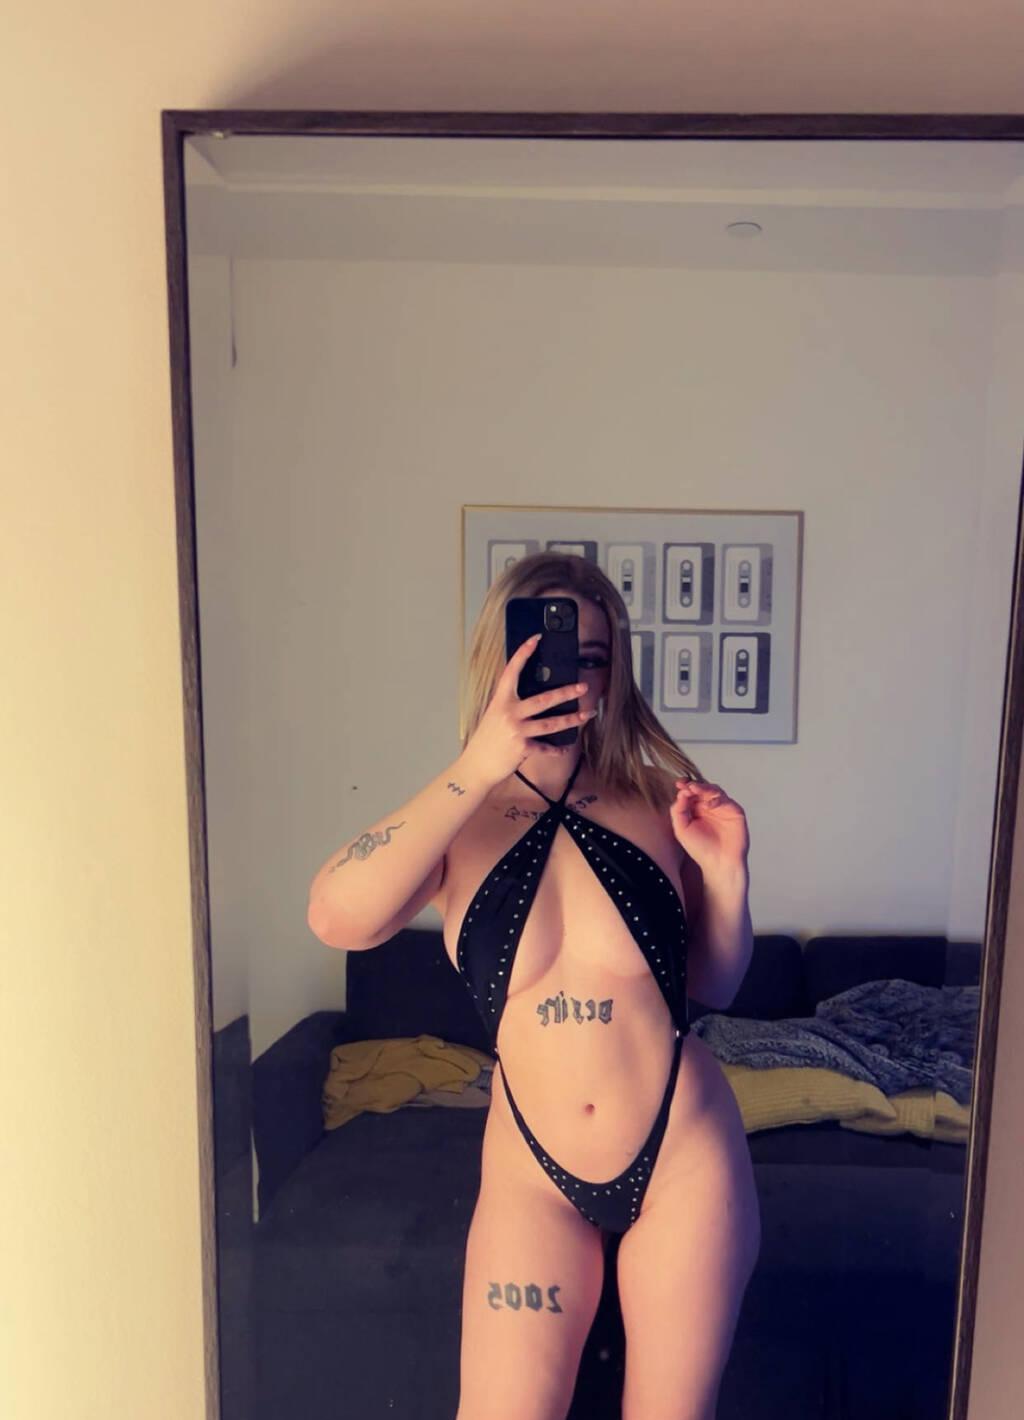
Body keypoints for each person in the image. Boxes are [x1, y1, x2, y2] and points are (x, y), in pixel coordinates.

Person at [307, 552, 761, 1420]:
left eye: (594, 658)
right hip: (534, 1174)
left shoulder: (655, 799)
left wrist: (728, 875)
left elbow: (718, 981)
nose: (574, 677)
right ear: (502, 658)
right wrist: (482, 762)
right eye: (550, 653)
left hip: (682, 1153)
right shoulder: (457, 818)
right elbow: (337, 917)